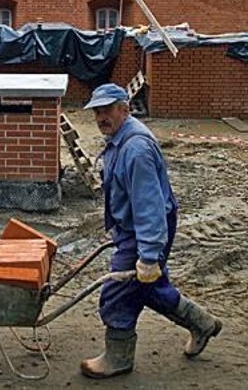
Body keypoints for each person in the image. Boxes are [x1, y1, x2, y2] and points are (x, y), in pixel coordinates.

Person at [80, 83, 222, 379]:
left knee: (118, 293)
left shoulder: (136, 149)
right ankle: (203, 324)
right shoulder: (119, 137)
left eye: (107, 110)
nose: (100, 117)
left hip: (147, 229)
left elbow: (150, 208)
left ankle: (118, 359)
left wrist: (148, 255)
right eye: (97, 111)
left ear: (124, 109)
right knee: (149, 287)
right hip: (134, 228)